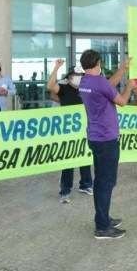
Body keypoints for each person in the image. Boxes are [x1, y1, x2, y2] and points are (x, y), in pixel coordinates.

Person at [79, 50, 134, 240]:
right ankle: (102, 227)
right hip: (106, 139)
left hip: (96, 137)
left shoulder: (85, 82)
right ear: (98, 63)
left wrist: (122, 68)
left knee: (102, 181)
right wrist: (129, 86)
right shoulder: (99, 82)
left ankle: (104, 218)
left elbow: (107, 86)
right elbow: (123, 101)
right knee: (105, 183)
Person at [46, 59, 93, 204]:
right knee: (68, 161)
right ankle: (65, 191)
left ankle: (86, 185)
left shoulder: (85, 89)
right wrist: (56, 67)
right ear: (70, 76)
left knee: (85, 158)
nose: (79, 77)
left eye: (81, 75)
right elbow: (50, 86)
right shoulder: (63, 88)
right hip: (68, 132)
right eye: (77, 74)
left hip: (85, 130)